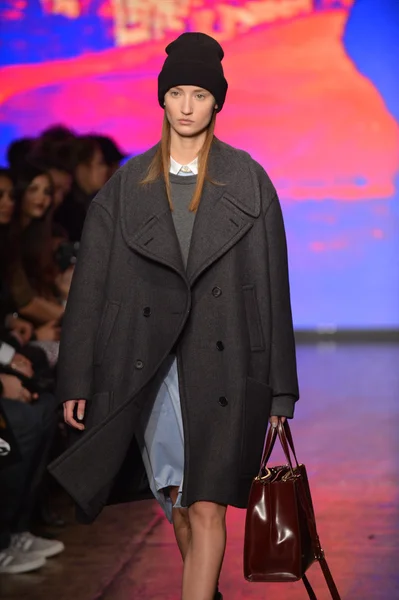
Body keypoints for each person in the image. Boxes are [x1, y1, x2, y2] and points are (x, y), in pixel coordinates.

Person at [49, 33, 299, 600]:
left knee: (208, 505)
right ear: (162, 100)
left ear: (218, 102)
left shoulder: (249, 182)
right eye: (178, 93)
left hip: (227, 367)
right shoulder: (125, 188)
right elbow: (90, 289)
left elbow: (273, 290)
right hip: (149, 368)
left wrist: (281, 392)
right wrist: (77, 378)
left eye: (200, 95)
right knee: (180, 506)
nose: (187, 106)